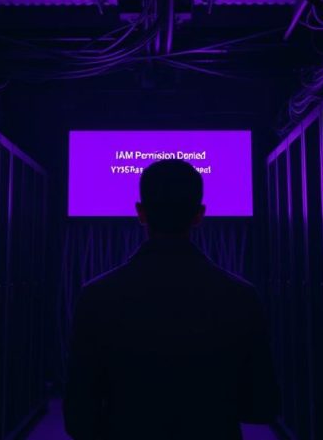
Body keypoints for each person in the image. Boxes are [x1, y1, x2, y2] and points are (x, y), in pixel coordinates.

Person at [63, 159, 280, 440]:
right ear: (200, 215)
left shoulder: (96, 296)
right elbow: (262, 406)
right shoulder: (242, 296)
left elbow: (78, 417)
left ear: (140, 213)